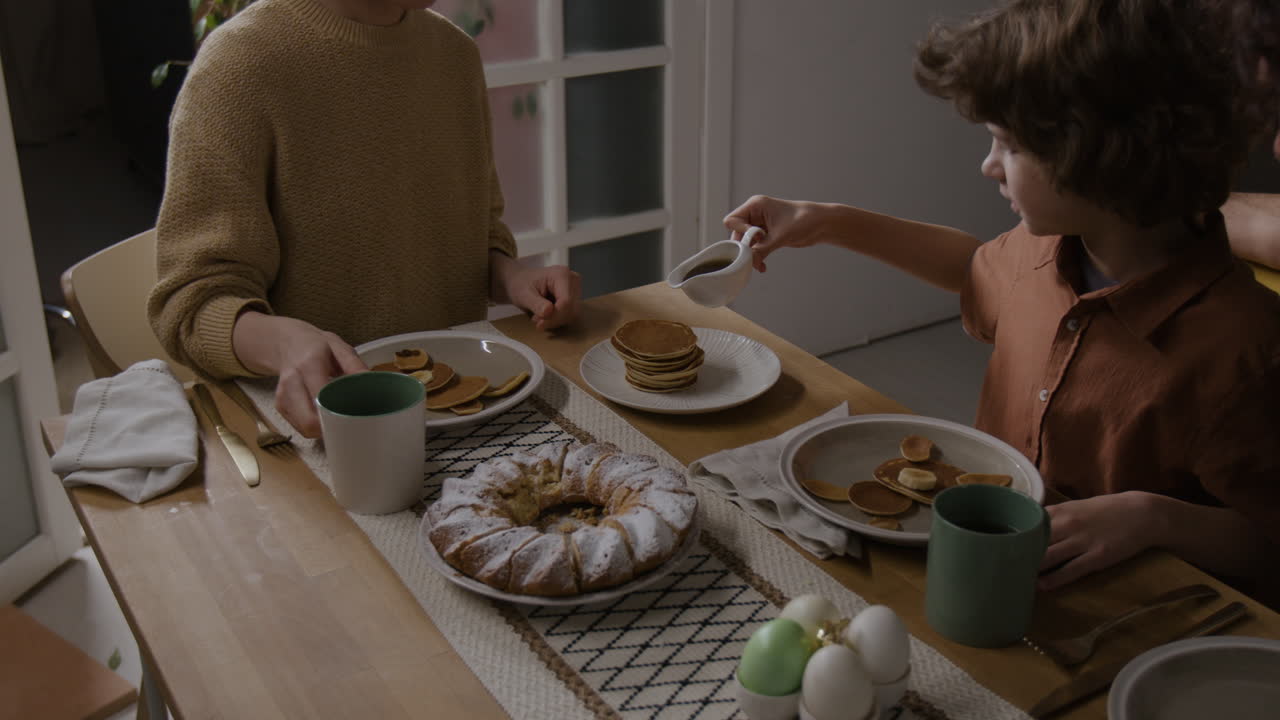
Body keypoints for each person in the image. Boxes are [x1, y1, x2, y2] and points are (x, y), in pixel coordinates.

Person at [725, 0, 1280, 593]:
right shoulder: (1043, 251)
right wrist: (825, 221)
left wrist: (1156, 519)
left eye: (1008, 145)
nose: (988, 166)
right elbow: (975, 270)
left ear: (1100, 156)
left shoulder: (1245, 354)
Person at [147, 0, 580, 439]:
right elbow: (190, 307)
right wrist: (284, 344)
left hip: (464, 414)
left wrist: (510, 276)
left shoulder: (454, 54)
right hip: (312, 430)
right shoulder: (239, 64)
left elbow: (467, 230)